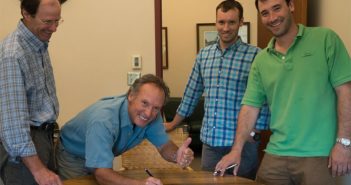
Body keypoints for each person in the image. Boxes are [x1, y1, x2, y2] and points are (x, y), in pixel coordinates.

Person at [216, 0, 351, 184]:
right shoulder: (261, 60)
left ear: (291, 6)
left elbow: (346, 92)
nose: (272, 18)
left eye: (277, 8)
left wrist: (344, 144)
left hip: (320, 154)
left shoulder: (325, 39)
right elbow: (250, 107)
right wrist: (236, 150)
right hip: (276, 153)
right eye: (265, 13)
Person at [164, 0, 270, 180]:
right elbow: (191, 93)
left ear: (241, 22)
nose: (226, 28)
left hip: (242, 144)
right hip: (211, 144)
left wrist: (255, 132)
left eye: (231, 22)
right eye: (221, 22)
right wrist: (173, 123)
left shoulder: (256, 56)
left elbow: (265, 99)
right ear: (216, 22)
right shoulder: (204, 55)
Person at [56, 74, 194, 185]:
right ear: (131, 95)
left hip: (98, 161)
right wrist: (140, 183)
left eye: (156, 108)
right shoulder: (104, 120)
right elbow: (102, 173)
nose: (148, 113)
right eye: (144, 103)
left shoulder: (153, 116)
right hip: (73, 155)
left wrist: (177, 155)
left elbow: (164, 146)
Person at [0, 0, 65, 185]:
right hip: (24, 154)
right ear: (26, 14)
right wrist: (38, 169)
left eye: (57, 21)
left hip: (43, 139)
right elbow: (12, 124)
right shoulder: (13, 54)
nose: (54, 28)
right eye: (47, 22)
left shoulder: (38, 43)